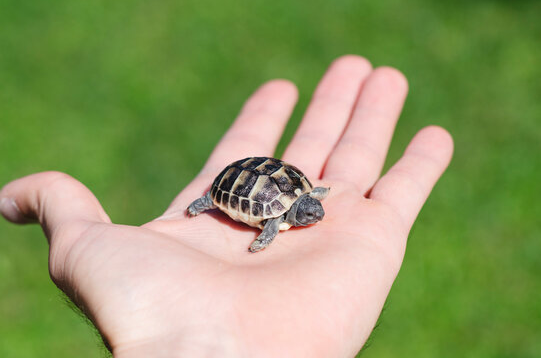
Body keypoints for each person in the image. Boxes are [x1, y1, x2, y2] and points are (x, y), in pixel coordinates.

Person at [0, 55, 453, 357]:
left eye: (311, 211)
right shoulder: (274, 218)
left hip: (262, 177)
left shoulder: (305, 199)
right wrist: (259, 238)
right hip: (234, 184)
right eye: (309, 213)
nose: (313, 216)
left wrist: (314, 196)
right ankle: (203, 202)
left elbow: (309, 195)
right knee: (213, 205)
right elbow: (270, 225)